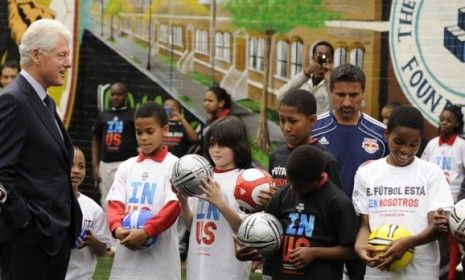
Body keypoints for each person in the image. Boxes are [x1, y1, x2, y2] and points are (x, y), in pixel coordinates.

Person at [0, 19, 82, 280]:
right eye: (61, 55)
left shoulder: (42, 101)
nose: (68, 63)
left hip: (52, 240)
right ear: (36, 55)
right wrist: (26, 222)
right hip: (29, 244)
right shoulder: (13, 100)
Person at [353, 105, 454, 280]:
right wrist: (360, 246)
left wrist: (410, 242)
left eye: (414, 144)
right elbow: (365, 226)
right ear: (387, 135)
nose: (406, 150)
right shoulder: (367, 173)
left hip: (421, 273)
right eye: (398, 142)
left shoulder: (432, 173)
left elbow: (436, 227)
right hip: (378, 273)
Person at [311, 63, 388, 280]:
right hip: (322, 226)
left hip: (363, 227)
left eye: (353, 95)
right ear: (330, 92)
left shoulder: (381, 135)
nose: (346, 102)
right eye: (340, 94)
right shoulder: (314, 129)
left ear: (363, 93)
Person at [106, 102, 181, 280]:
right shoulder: (127, 166)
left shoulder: (175, 166)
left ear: (165, 129)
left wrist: (147, 231)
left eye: (150, 131)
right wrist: (117, 229)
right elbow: (114, 202)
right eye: (139, 132)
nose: (144, 138)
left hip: (160, 265)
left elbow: (174, 205)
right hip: (126, 264)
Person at [261, 145, 359, 279]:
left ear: (318, 179)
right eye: (291, 183)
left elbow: (351, 250)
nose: (293, 189)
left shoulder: (338, 203)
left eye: (299, 186)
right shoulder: (282, 195)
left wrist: (314, 252)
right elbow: (266, 230)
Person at [177, 116, 252, 280]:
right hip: (198, 265)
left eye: (222, 144)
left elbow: (245, 230)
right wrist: (182, 201)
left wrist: (221, 204)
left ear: (238, 146)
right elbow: (192, 225)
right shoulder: (201, 176)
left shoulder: (245, 180)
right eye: (212, 144)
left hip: (227, 268)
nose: (215, 150)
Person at [421, 104, 465, 280]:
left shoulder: (461, 145)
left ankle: (452, 276)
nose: (445, 123)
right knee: (434, 234)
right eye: (442, 119)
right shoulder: (432, 144)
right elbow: (424, 169)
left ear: (456, 123)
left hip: (454, 199)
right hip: (434, 198)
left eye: (449, 120)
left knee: (454, 239)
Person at [270, 89, 343, 190]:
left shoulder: (326, 161)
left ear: (312, 120)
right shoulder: (276, 156)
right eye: (282, 120)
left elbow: (337, 204)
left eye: (293, 121)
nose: (286, 128)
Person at [65, 146, 113, 280]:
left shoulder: (93, 209)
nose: (76, 171)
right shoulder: (48, 203)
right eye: (70, 165)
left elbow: (103, 251)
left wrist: (93, 241)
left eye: (81, 166)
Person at [92, 81, 138, 208]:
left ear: (126, 96)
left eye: (119, 94)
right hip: (105, 165)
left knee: (125, 199)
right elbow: (95, 138)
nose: (115, 97)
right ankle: (108, 228)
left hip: (126, 164)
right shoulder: (103, 115)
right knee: (106, 201)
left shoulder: (133, 114)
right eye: (112, 94)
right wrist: (95, 166)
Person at [277, 41, 334, 115]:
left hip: (322, 126)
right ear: (313, 58)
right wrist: (305, 74)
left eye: (327, 55)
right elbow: (281, 95)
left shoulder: (334, 83)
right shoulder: (303, 80)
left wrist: (330, 80)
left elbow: (337, 109)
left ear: (331, 60)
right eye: (319, 54)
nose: (323, 57)